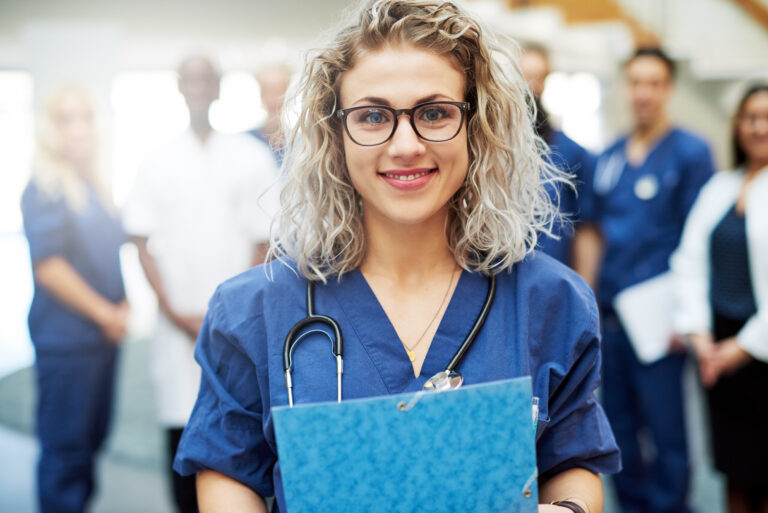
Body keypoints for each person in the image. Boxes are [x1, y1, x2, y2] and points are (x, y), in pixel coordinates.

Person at [174, 1, 621, 512]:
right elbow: (229, 471)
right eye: (372, 116)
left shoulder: (550, 301)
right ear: (334, 134)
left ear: (477, 127)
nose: (405, 144)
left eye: (434, 113)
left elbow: (572, 465)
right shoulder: (253, 310)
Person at [123, 55, 279, 513]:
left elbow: (266, 238)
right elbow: (139, 238)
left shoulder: (250, 157)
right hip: (178, 323)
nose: (196, 87)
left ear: (218, 87)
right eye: (188, 79)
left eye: (205, 78)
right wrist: (173, 310)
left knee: (239, 430)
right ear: (177, 87)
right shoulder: (156, 159)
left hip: (237, 325)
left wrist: (230, 312)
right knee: (179, 427)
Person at [585, 47, 716, 513]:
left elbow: (700, 241)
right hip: (614, 317)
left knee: (667, 429)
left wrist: (688, 317)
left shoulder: (691, 153)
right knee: (616, 426)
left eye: (654, 83)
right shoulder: (611, 157)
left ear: (668, 90)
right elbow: (595, 234)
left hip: (663, 320)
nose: (644, 93)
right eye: (636, 82)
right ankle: (637, 505)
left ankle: (672, 506)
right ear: (626, 87)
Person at [21, 85, 128, 513]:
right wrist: (107, 313)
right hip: (68, 342)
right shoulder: (45, 187)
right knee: (65, 452)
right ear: (50, 129)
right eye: (66, 119)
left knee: (90, 442)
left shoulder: (92, 185)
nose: (79, 128)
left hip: (99, 339)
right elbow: (49, 268)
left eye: (86, 117)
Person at [670, 84, 768, 513]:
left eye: (767, 117)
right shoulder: (719, 187)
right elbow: (689, 261)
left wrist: (744, 347)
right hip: (718, 350)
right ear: (737, 125)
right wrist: (699, 335)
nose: (758, 127)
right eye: (750, 117)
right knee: (733, 467)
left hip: (759, 351)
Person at [519, 44, 596, 268]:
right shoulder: (490, 148)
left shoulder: (572, 153)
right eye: (524, 76)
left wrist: (584, 290)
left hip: (552, 274)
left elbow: (586, 229)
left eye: (538, 77)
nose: (530, 86)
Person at [248, 63, 292, 167]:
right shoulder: (247, 141)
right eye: (269, 91)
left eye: (281, 91)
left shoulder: (301, 145)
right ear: (261, 96)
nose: (275, 100)